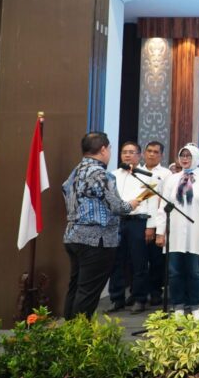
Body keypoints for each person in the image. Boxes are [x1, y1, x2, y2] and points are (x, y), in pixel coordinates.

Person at [63, 132, 141, 320]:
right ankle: (80, 333)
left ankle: (69, 331)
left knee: (76, 287)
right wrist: (132, 204)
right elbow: (117, 206)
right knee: (88, 291)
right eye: (111, 149)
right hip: (96, 239)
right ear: (103, 149)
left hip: (73, 235)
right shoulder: (101, 174)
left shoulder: (75, 171)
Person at [155, 144, 199, 320]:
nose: (184, 159)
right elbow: (163, 207)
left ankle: (196, 305)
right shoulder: (172, 179)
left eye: (188, 156)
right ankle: (178, 305)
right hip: (174, 232)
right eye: (182, 156)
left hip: (197, 232)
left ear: (196, 158)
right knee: (174, 271)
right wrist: (160, 232)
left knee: (195, 271)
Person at [108, 141, 150, 314]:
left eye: (131, 152)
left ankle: (139, 298)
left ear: (139, 155)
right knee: (116, 261)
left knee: (139, 261)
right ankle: (116, 298)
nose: (127, 155)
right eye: (124, 152)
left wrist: (151, 227)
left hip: (137, 222)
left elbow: (150, 203)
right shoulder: (112, 175)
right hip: (116, 221)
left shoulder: (146, 176)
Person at [140, 140, 171, 307]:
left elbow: (161, 203)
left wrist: (153, 226)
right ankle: (139, 294)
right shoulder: (136, 171)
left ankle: (155, 293)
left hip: (158, 223)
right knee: (138, 261)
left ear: (161, 155)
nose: (152, 154)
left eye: (156, 152)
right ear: (144, 153)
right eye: (149, 151)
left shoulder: (166, 174)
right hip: (137, 222)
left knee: (157, 261)